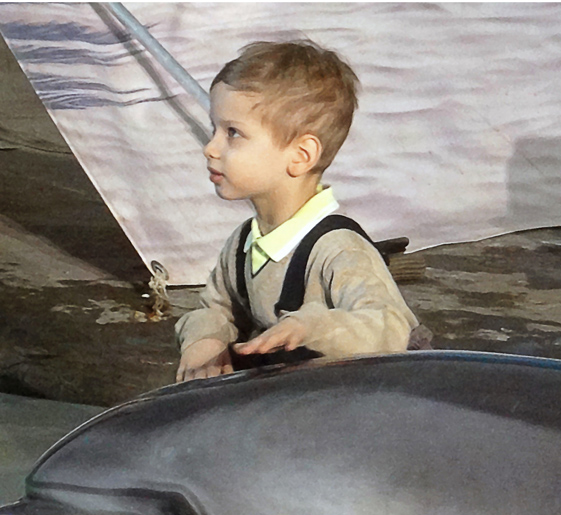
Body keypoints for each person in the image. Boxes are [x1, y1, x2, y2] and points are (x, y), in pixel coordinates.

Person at [175, 40, 423, 382]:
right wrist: (204, 340)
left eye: (233, 133)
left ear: (301, 156)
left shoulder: (339, 250)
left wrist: (311, 326)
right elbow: (218, 307)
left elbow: (390, 326)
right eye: (214, 128)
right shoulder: (244, 243)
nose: (210, 148)